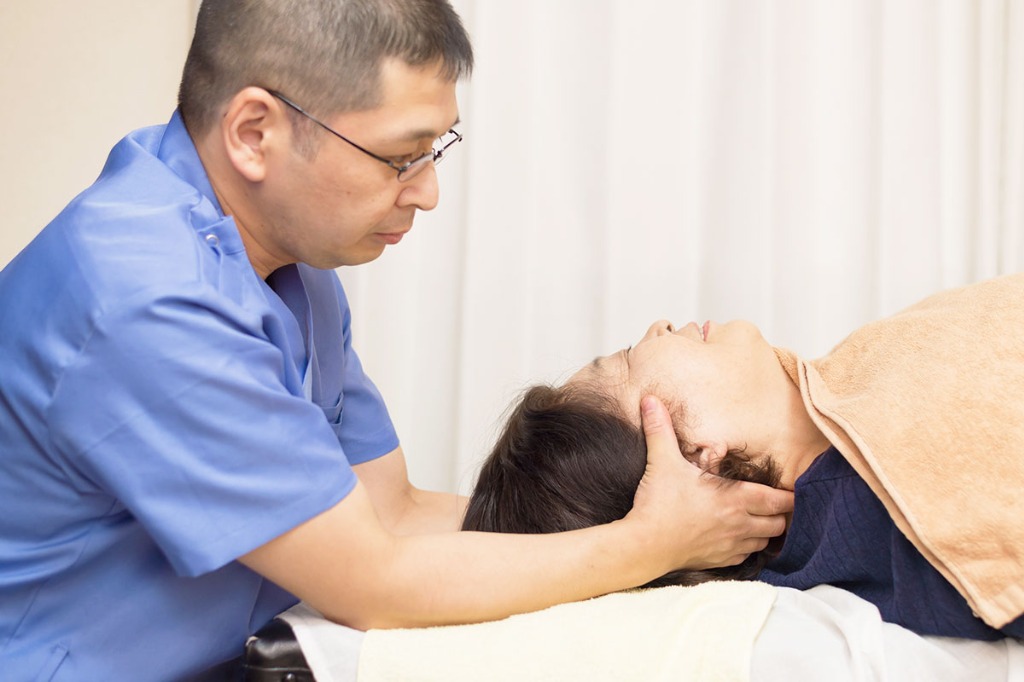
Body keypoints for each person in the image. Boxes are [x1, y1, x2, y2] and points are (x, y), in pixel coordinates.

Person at [0, 1, 793, 679]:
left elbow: (395, 512)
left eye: (436, 150)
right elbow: (372, 580)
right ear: (253, 132)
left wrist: (666, 534)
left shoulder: (290, 266)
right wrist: (650, 543)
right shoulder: (146, 298)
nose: (429, 192)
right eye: (401, 157)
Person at [463, 273, 1024, 641]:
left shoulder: (850, 400)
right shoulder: (892, 514)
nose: (659, 327)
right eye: (631, 359)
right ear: (693, 460)